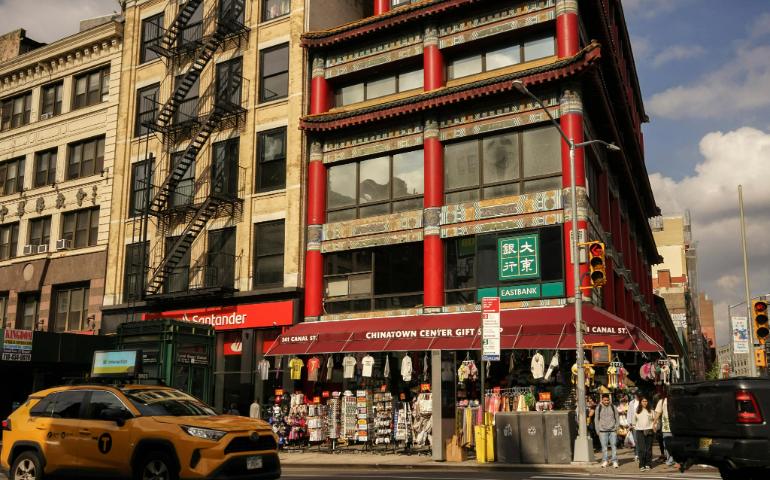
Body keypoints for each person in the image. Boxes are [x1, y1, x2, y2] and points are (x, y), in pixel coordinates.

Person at [595, 394, 620, 468]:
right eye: (605, 400)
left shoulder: (613, 407)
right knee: (604, 447)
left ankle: (614, 461)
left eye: (607, 400)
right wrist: (597, 430)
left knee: (614, 446)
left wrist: (617, 427)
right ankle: (605, 460)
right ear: (602, 400)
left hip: (613, 430)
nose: (606, 401)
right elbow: (596, 419)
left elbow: (617, 417)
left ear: (609, 400)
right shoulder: (598, 408)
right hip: (602, 430)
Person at [633, 397, 655, 471]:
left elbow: (655, 421)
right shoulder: (637, 411)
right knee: (642, 449)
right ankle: (642, 464)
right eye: (643, 401)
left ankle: (648, 464)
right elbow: (634, 421)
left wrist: (654, 428)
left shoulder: (651, 411)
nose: (645, 402)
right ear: (640, 402)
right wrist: (635, 427)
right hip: (640, 431)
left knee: (648, 449)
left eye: (646, 401)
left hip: (649, 431)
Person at [655, 392, 675, 466]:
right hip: (666, 426)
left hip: (675, 426)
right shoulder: (662, 401)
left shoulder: (676, 400)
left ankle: (671, 459)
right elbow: (658, 412)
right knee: (666, 444)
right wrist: (654, 422)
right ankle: (670, 458)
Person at [627, 392, 641, 461]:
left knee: (641, 440)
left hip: (642, 424)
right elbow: (629, 413)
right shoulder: (631, 403)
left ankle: (641, 454)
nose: (637, 396)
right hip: (634, 425)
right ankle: (636, 454)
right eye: (636, 394)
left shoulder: (642, 401)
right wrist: (629, 424)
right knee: (635, 440)